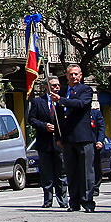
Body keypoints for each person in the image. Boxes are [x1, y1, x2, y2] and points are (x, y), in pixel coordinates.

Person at [56, 64, 96, 213]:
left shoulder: (85, 90)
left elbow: (80, 104)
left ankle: (87, 201)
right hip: (68, 138)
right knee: (71, 171)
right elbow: (59, 117)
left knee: (86, 172)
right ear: (66, 76)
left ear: (81, 75)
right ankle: (74, 202)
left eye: (76, 74)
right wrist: (58, 136)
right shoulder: (63, 92)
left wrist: (62, 100)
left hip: (83, 137)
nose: (74, 77)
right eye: (71, 74)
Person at [27, 76, 68, 208]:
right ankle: (48, 200)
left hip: (59, 143)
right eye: (53, 85)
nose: (56, 88)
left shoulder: (63, 101)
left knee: (61, 173)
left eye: (58, 85)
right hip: (45, 143)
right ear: (47, 88)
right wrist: (44, 125)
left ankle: (63, 200)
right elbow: (31, 119)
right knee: (46, 174)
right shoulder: (38, 102)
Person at [90, 101, 106, 197]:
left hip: (94, 144)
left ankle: (95, 187)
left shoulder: (95, 113)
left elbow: (101, 128)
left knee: (95, 166)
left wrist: (100, 141)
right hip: (82, 144)